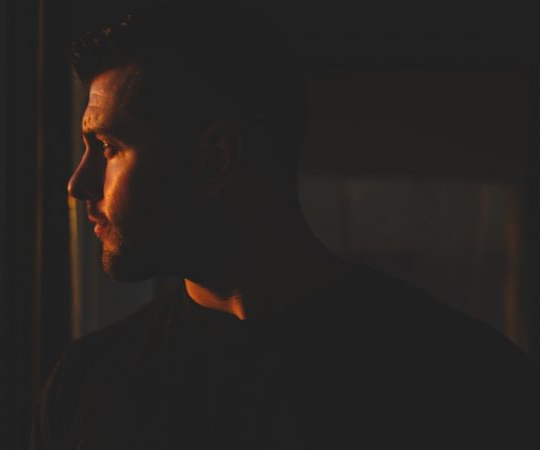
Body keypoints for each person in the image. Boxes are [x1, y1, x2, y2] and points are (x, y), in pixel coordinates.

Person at [31, 2, 539, 449]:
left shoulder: (464, 383)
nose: (78, 184)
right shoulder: (85, 383)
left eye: (108, 148)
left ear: (214, 159)